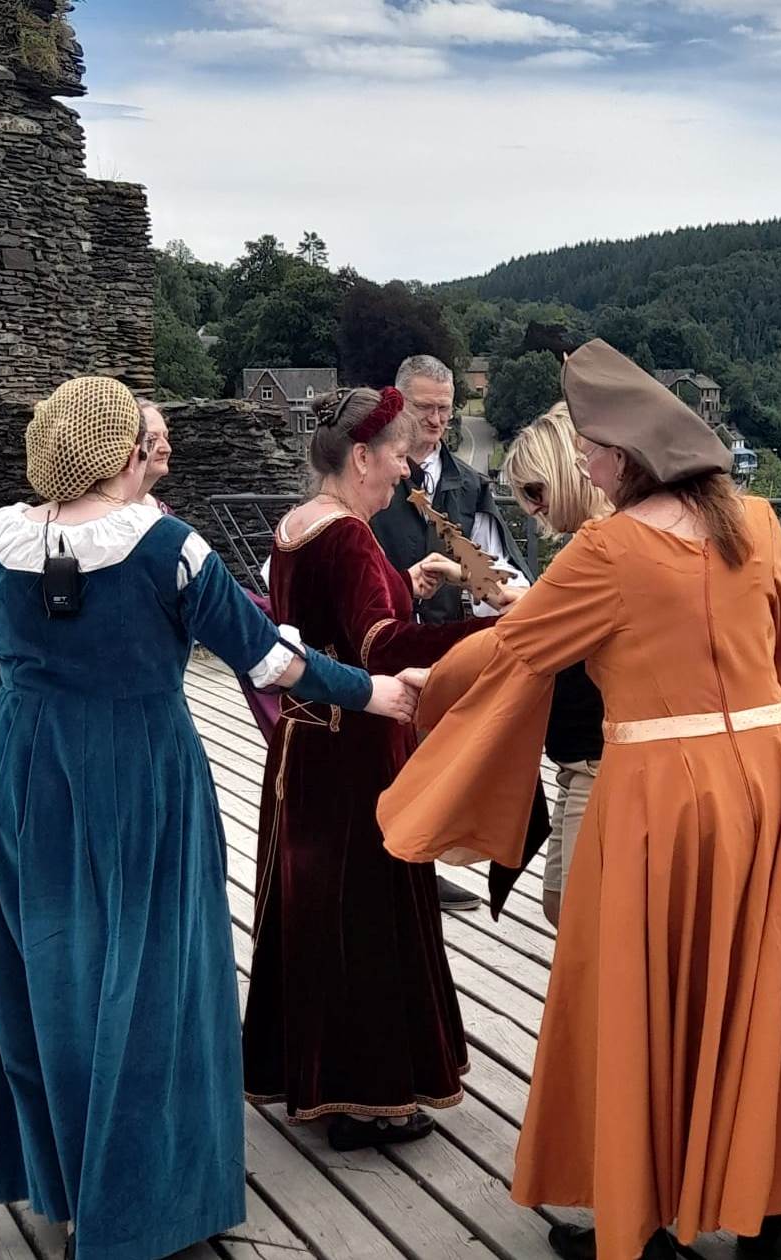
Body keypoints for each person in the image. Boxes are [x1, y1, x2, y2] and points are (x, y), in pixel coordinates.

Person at [380, 341, 781, 1260]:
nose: (585, 464)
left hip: (661, 796)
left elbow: (508, 650)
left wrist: (423, 683)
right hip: (770, 781)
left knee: (640, 991)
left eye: (594, 449)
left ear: (630, 457)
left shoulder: (608, 552)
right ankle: (768, 1215)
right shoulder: (759, 524)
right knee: (761, 984)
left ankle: (644, 1217)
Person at [0, 376, 416, 1260]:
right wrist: (377, 691)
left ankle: (62, 1188)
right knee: (150, 976)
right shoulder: (167, 547)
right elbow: (271, 661)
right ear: (129, 453)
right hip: (135, 770)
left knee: (45, 969)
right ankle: (141, 1205)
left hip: (19, 769)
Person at [242, 386, 519, 1152]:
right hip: (356, 749)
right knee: (363, 916)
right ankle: (367, 1100)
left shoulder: (296, 528)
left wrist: (407, 586)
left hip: (302, 746)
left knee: (315, 910)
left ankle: (313, 1076)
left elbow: (327, 628)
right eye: (396, 455)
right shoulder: (353, 539)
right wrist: (492, 630)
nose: (404, 472)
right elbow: (380, 652)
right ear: (361, 456)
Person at [372, 353, 531, 913]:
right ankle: (389, 861)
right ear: (399, 404)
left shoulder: (468, 486)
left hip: (445, 637)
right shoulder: (371, 479)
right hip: (379, 636)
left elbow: (501, 574)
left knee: (439, 751)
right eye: (424, 408)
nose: (438, 421)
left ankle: (422, 859)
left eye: (445, 409)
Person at [503, 402, 610, 927]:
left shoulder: (600, 546)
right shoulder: (586, 545)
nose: (529, 508)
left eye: (535, 491)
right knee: (560, 905)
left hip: (598, 757)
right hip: (575, 758)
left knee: (577, 910)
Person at [136, 398, 173, 512]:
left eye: (166, 437)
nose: (167, 449)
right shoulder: (101, 519)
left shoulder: (164, 512)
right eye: (152, 438)